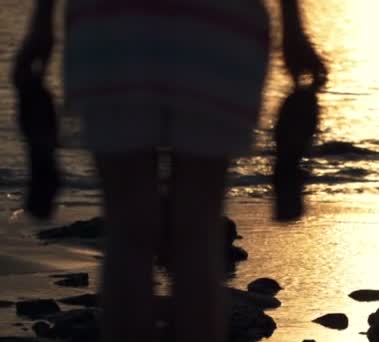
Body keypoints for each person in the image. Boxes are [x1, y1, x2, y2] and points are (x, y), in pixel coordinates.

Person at [13, 0, 326, 341]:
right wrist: (293, 29)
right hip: (218, 25)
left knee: (127, 232)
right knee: (198, 235)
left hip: (112, 24)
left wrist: (42, 24)